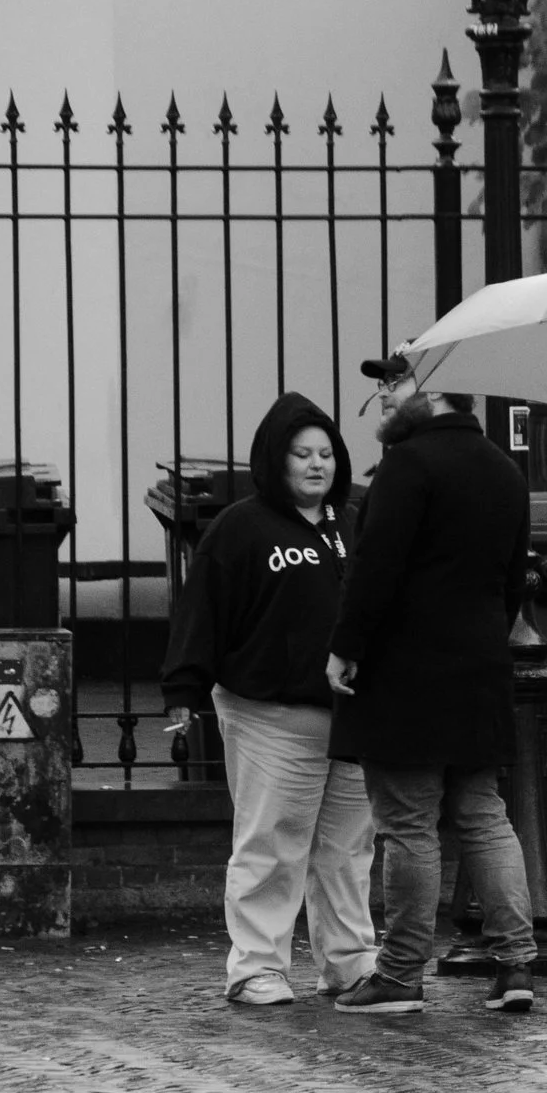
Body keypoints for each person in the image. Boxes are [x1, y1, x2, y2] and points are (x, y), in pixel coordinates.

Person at [324, 359, 539, 1016]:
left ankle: (400, 973)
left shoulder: (407, 466)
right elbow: (511, 583)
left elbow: (375, 568)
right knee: (483, 815)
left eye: (396, 383)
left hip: (404, 673)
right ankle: (515, 966)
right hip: (478, 670)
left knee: (407, 822)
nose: (384, 396)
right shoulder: (504, 470)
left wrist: (346, 648)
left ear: (434, 389)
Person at [162, 392, 376, 1006]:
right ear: (273, 461)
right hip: (269, 714)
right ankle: (257, 965)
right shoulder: (241, 528)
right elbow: (201, 609)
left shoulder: (353, 523)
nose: (317, 465)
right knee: (271, 841)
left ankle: (350, 958)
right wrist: (183, 684)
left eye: (327, 453)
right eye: (301, 454)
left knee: (347, 847)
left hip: (352, 714)